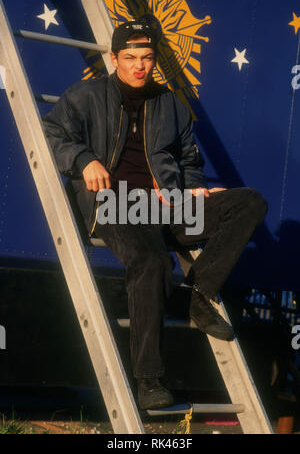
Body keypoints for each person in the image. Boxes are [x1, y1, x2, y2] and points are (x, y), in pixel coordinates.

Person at [42, 21, 268, 410]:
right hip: (115, 205)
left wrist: (194, 185)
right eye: (129, 58)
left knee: (248, 202)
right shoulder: (86, 95)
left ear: (154, 60)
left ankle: (198, 295)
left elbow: (188, 156)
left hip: (168, 207)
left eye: (146, 58)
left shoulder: (171, 103)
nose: (139, 66)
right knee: (151, 260)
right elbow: (52, 132)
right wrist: (84, 159)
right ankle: (149, 379)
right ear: (114, 59)